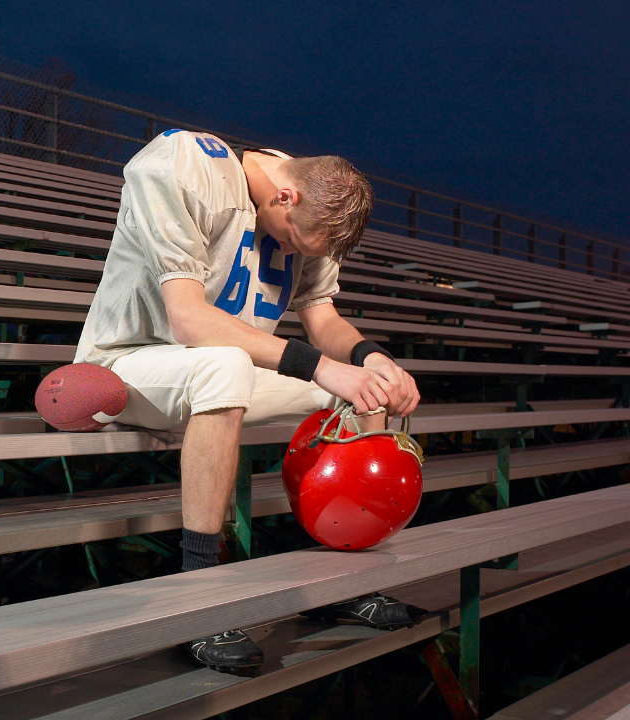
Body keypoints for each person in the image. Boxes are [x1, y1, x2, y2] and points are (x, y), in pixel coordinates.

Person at [74, 129, 422, 673]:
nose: (289, 253)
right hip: (133, 362)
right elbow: (188, 320)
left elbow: (322, 319)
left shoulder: (307, 206)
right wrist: (323, 368)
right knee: (230, 363)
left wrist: (371, 359)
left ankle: (339, 575)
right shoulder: (188, 164)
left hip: (220, 376)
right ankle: (199, 600)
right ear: (288, 196)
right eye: (292, 240)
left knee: (358, 391)